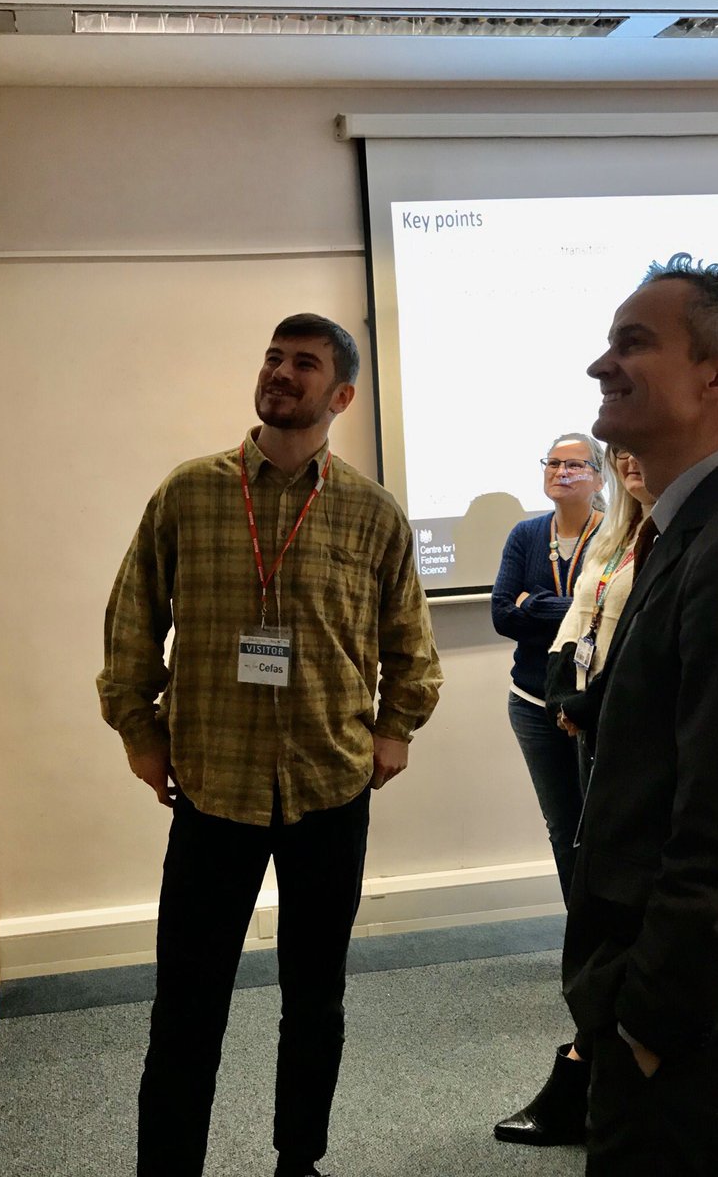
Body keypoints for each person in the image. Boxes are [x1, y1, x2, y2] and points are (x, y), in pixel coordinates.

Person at [97, 312, 442, 1177]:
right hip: (214, 786)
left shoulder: (372, 512)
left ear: (343, 395)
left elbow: (411, 643)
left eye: (305, 363)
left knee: (315, 999)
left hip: (329, 786)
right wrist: (139, 731)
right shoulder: (189, 493)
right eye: (274, 358)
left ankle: (300, 1161)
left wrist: (395, 727)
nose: (282, 373)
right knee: (187, 1005)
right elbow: (132, 622)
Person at [562, 253, 718, 1175]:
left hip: (692, 1040)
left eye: (633, 344)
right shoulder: (689, 528)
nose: (601, 365)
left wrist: (648, 1025)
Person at [493, 443, 655, 1147]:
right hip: (573, 714)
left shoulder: (687, 538)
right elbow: (560, 623)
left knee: (626, 889)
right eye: (621, 456)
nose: (630, 463)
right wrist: (568, 693)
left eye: (634, 452)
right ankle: (593, 1068)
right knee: (583, 856)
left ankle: (592, 1073)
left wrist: (591, 702)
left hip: (630, 734)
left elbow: (642, 642)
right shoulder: (617, 536)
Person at [491, 433, 604, 905]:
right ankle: (580, 930)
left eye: (575, 465)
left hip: (594, 703)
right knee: (561, 825)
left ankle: (609, 932)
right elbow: (502, 616)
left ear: (599, 477)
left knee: (600, 823)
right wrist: (576, 608)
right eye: (553, 463)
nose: (561, 472)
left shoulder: (615, 534)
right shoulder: (525, 535)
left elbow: (610, 618)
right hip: (532, 702)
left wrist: (534, 603)